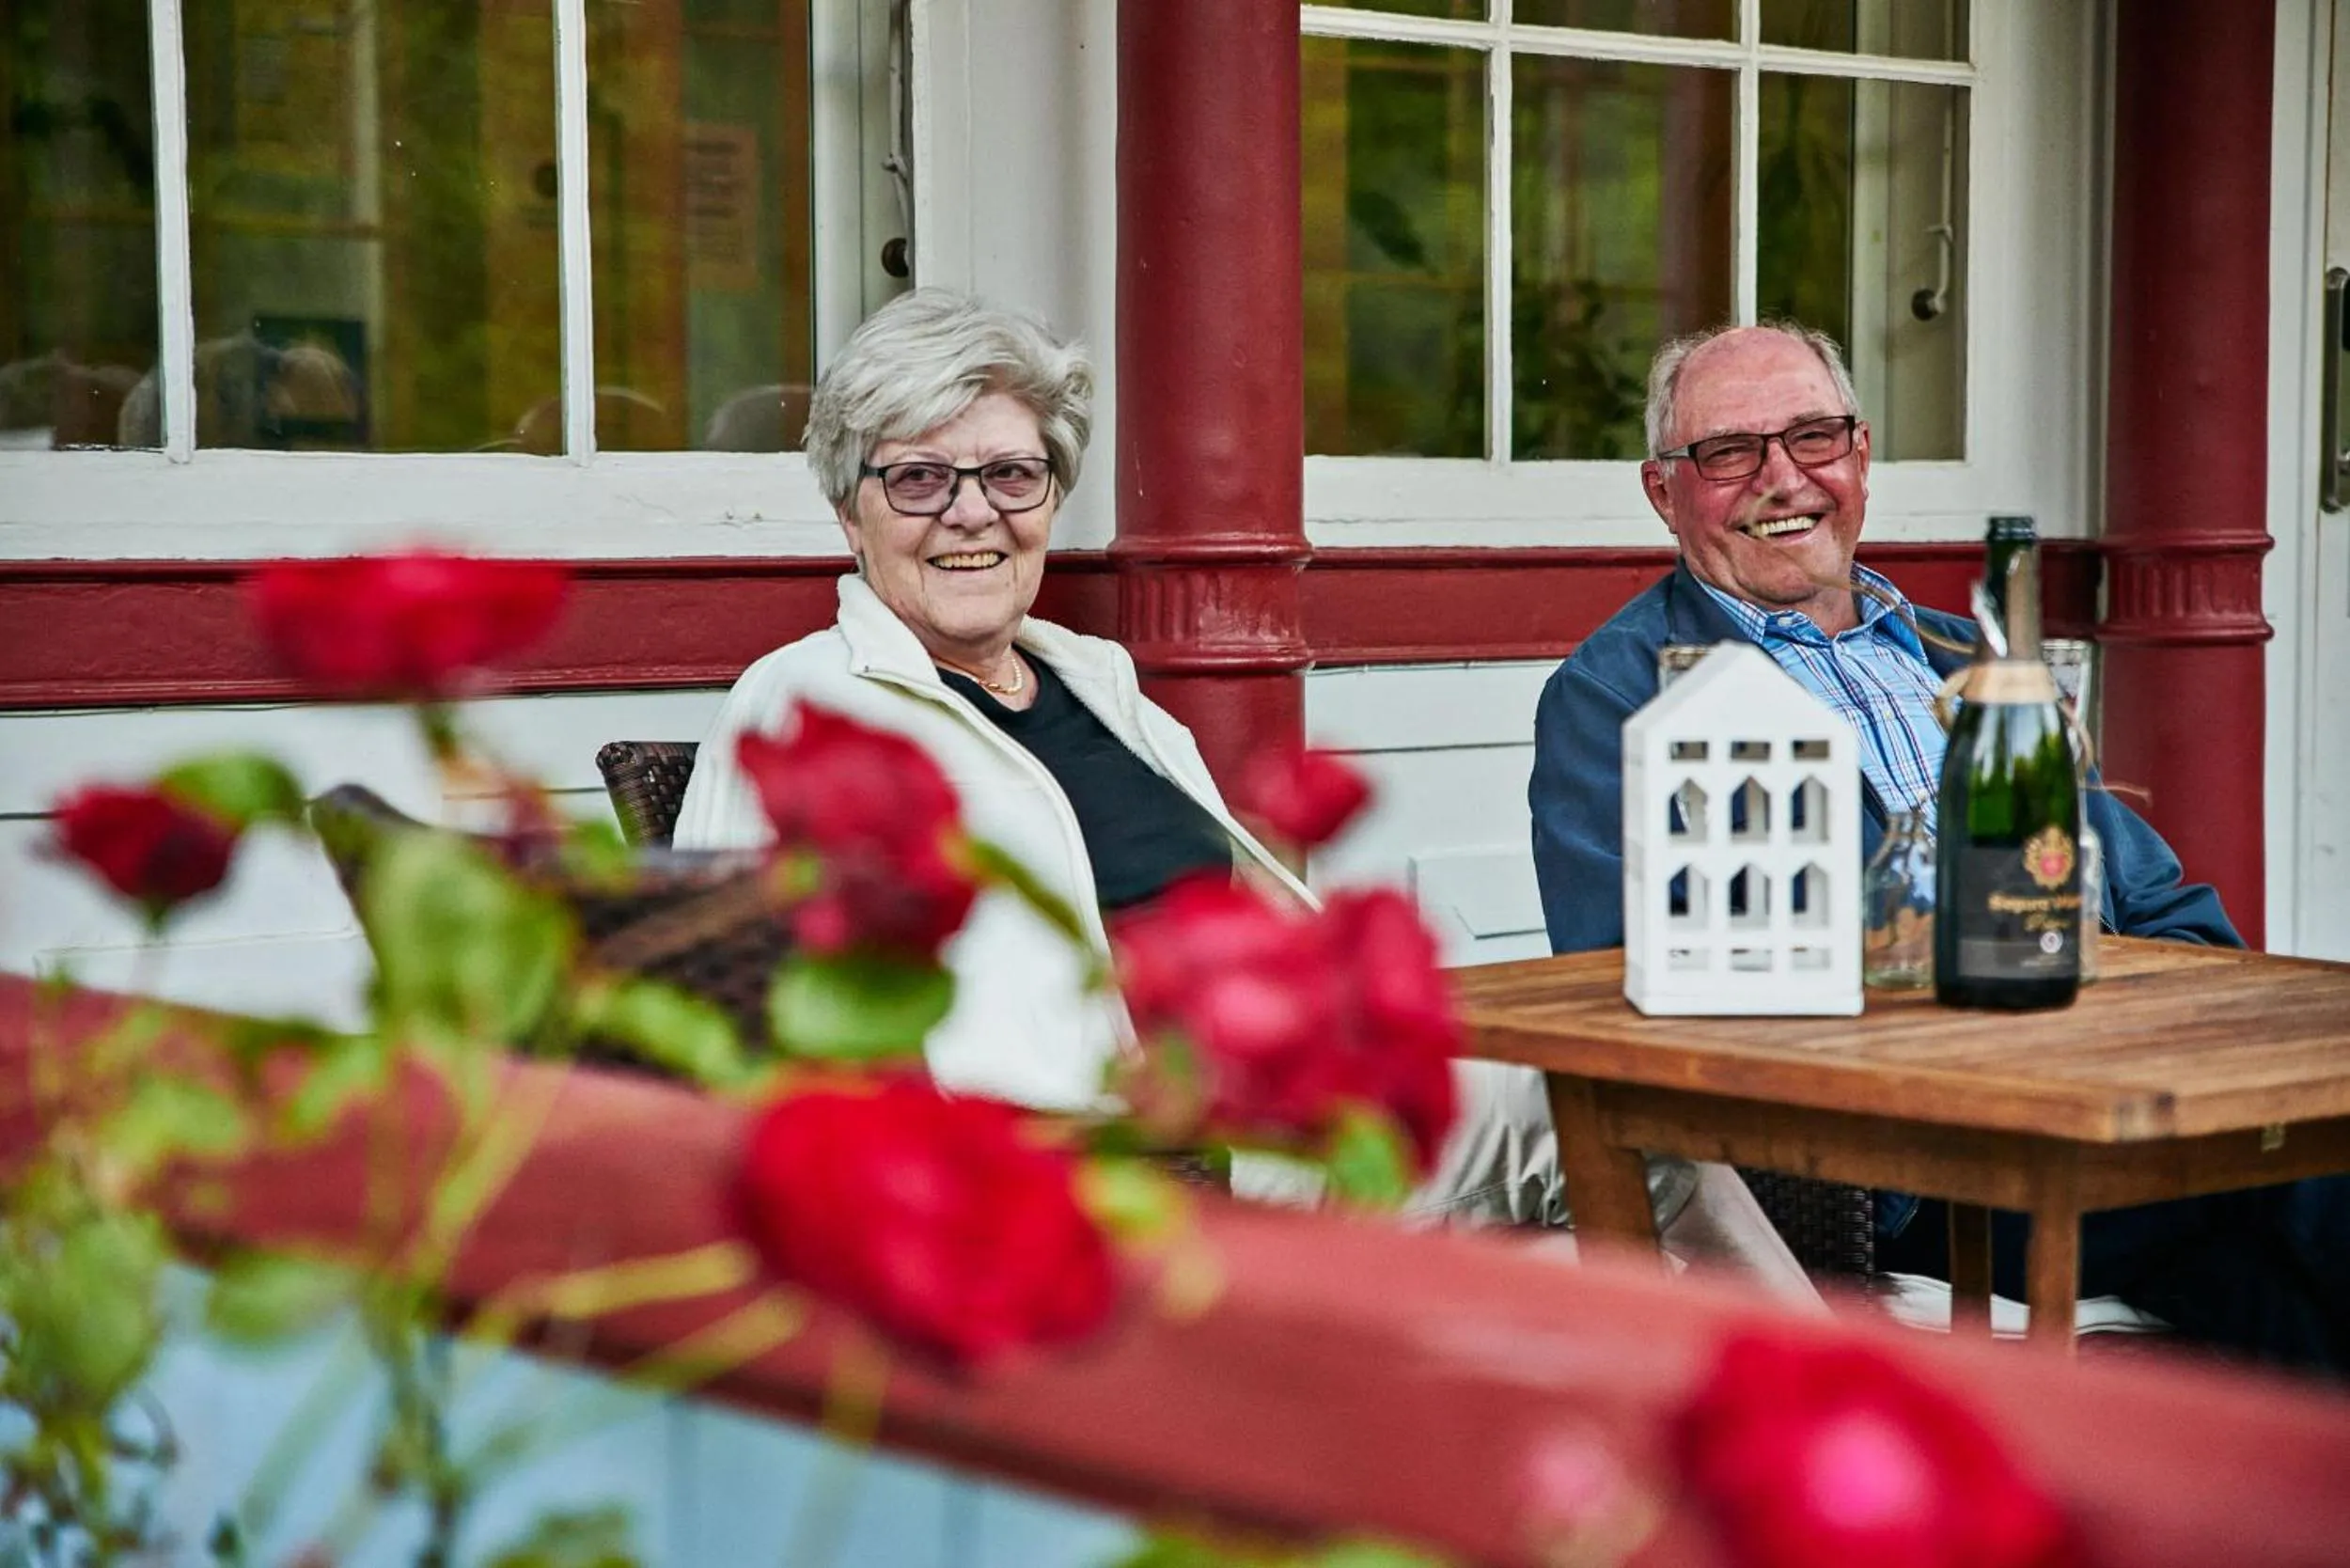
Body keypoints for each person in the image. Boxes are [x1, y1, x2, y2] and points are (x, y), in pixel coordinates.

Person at [672, 287, 1814, 1296]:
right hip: (1103, 1177)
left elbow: (1249, 916)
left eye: (1011, 473)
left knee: (1606, 1140)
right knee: (1589, 1206)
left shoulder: (1090, 675)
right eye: (919, 478)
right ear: (847, 507)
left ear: (1052, 495)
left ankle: (1801, 1424)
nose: (972, 512)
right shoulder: (808, 710)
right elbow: (759, 1052)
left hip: (1271, 1123)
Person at [1530, 320, 2348, 1372]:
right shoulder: (1624, 695)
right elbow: (1629, 983)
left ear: (1860, 457)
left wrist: (2197, 1061)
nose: (1783, 479)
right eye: (1729, 452)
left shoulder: (1968, 655)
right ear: (1664, 491)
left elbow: (2154, 902)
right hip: (1935, 1153)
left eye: (1813, 438)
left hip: (2128, 1112)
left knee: (2290, 1322)